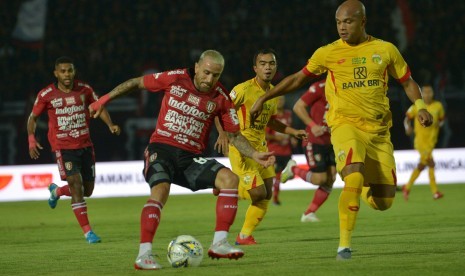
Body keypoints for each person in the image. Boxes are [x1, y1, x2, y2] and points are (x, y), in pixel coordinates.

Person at [249, 0, 433, 260]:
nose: (342, 28)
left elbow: (407, 81)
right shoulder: (328, 53)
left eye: (348, 22)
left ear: (363, 22)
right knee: (353, 176)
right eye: (338, 23)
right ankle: (344, 246)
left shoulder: (386, 50)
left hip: (379, 133)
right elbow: (298, 78)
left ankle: (366, 189)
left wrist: (421, 106)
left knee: (384, 202)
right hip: (345, 125)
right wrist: (264, 98)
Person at [89, 50, 276, 270]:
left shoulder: (221, 98)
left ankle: (219, 243)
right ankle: (144, 255)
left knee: (230, 180)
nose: (209, 79)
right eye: (206, 73)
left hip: (190, 159)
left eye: (215, 75)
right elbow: (136, 83)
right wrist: (104, 99)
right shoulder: (175, 78)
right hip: (162, 149)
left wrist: (254, 154)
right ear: (196, 67)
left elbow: (234, 135)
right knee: (160, 191)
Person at [27, 56, 121, 244]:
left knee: (88, 190)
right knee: (76, 186)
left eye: (69, 70)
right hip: (63, 147)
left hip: (85, 145)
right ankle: (88, 233)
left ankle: (58, 192)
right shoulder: (46, 94)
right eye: (62, 71)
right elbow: (32, 118)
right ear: (56, 73)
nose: (67, 74)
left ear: (74, 71)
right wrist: (31, 139)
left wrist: (110, 124)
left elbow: (98, 107)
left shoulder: (84, 89)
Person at [228, 48, 306, 245]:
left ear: (276, 67)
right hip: (242, 146)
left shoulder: (273, 94)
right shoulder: (242, 90)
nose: (267, 67)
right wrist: (222, 133)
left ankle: (244, 236)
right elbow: (222, 109)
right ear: (255, 68)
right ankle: (225, 185)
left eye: (271, 63)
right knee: (258, 192)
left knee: (267, 194)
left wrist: (292, 131)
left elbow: (271, 122)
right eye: (263, 63)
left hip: (262, 147)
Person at [280, 79, 337, 222]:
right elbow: (298, 106)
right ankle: (293, 169)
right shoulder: (320, 86)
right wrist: (313, 125)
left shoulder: (346, 88)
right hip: (314, 140)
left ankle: (308, 213)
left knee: (331, 178)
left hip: (332, 140)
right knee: (320, 179)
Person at [402, 84, 445, 200]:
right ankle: (435, 192)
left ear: (432, 93)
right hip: (420, 142)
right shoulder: (417, 107)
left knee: (422, 165)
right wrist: (407, 128)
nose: (427, 94)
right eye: (425, 92)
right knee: (431, 163)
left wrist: (437, 124)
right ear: (421, 93)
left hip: (432, 141)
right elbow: (406, 119)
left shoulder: (438, 106)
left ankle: (407, 187)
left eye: (429, 92)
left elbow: (442, 121)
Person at [264, 96, 297, 205]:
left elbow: (289, 129)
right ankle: (274, 198)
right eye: (278, 99)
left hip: (287, 151)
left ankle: (274, 196)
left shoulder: (288, 114)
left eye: (282, 99)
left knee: (291, 171)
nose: (280, 102)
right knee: (277, 174)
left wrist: (292, 137)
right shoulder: (270, 116)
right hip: (275, 151)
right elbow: (265, 134)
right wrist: (276, 138)